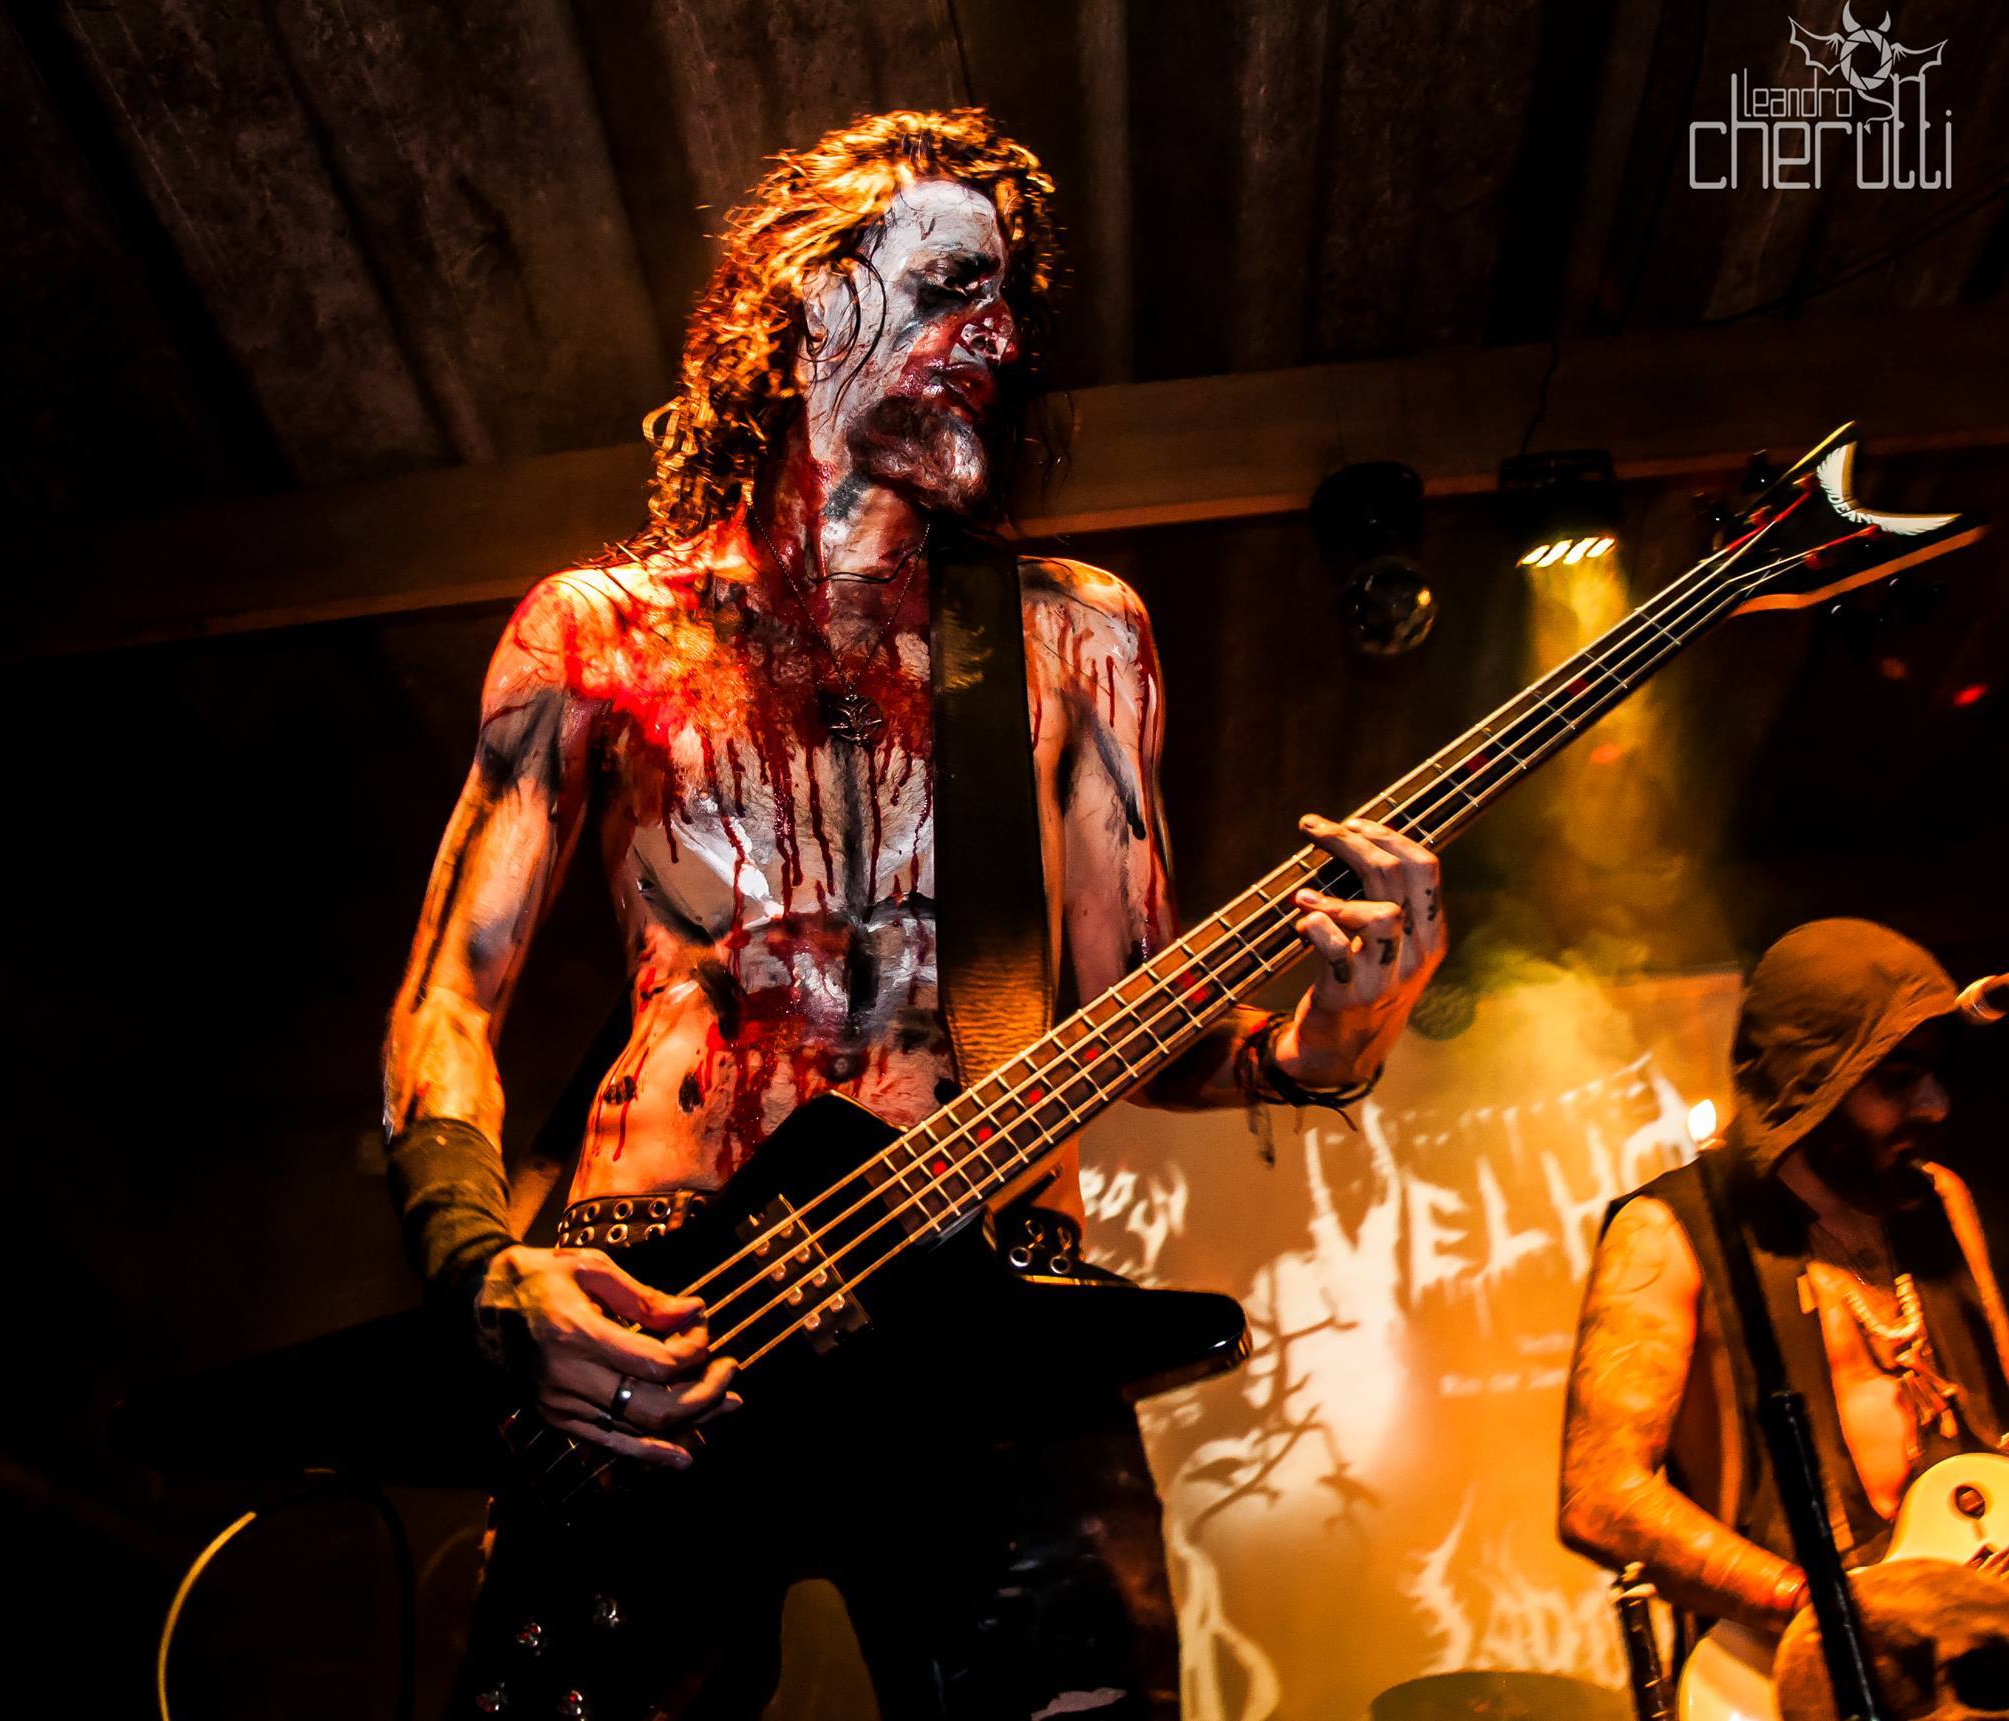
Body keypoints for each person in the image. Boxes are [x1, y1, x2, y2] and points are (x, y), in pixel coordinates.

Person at [382, 109, 1445, 1718]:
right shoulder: (596, 630)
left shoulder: (1074, 638)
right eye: (955, 288)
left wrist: (1325, 1046)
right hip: (657, 1306)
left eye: (1012, 305)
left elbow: (1141, 1020)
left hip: (986, 1309)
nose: (1002, 340)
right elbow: (449, 1000)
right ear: (803, 306)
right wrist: (483, 1271)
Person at [1558, 919, 2009, 1652]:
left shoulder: (1938, 1200)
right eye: (1896, 1079)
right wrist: (1831, 1614)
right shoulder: (1667, 1232)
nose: (1935, 1105)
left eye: (1933, 1074)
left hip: (1972, 1651)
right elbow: (1600, 1497)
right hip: (1790, 1666)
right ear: (1814, 1078)